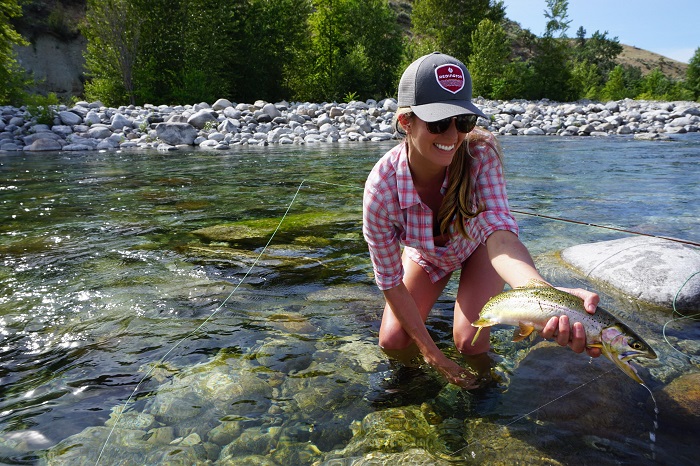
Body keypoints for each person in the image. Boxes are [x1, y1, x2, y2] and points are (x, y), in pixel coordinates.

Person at [362, 52, 601, 389]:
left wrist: (541, 293)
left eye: (463, 121)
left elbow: (498, 234)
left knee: (469, 342)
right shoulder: (381, 191)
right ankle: (415, 389)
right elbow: (389, 280)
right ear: (406, 122)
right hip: (426, 254)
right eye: (437, 123)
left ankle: (487, 390)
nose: (452, 135)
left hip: (479, 250)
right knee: (392, 342)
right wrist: (433, 356)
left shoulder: (480, 153)